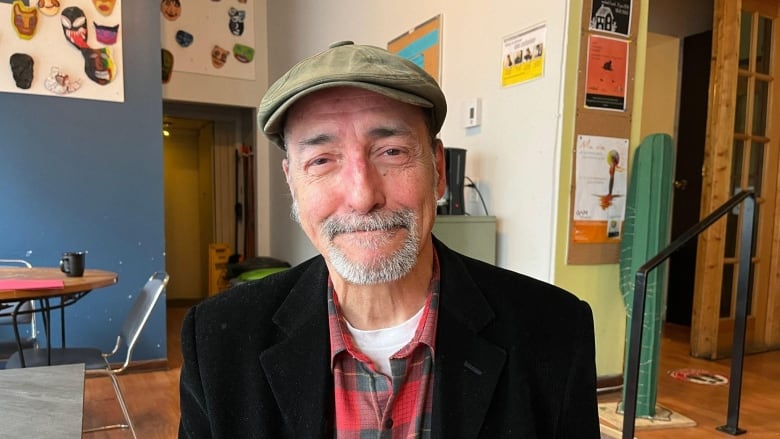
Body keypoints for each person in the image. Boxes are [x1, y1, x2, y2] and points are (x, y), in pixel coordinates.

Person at [178, 41, 600, 438]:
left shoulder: (555, 331)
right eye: (322, 160)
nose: (363, 197)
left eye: (392, 152)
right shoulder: (218, 342)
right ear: (293, 182)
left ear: (437, 168)